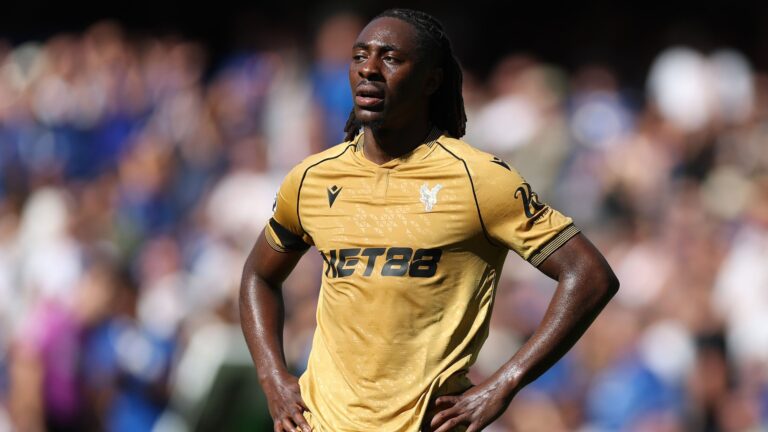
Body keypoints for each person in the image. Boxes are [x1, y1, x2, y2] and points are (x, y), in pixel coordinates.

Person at [240, 8, 619, 432]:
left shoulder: (478, 179)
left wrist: (505, 383)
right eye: (359, 56)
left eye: (390, 58)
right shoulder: (312, 178)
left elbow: (589, 274)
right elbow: (259, 275)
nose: (369, 69)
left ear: (431, 80)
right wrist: (272, 377)